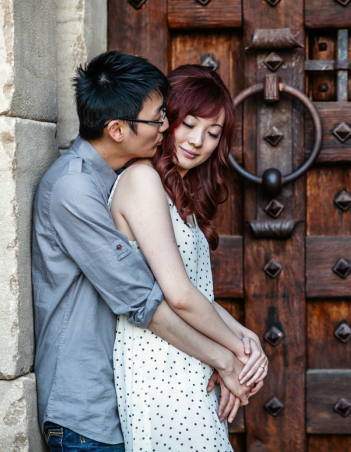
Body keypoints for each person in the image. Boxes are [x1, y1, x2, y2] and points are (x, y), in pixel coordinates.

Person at [32, 51, 255, 452]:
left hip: (118, 398)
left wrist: (244, 344)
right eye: (161, 118)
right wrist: (228, 357)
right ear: (118, 129)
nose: (167, 127)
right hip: (85, 409)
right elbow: (144, 298)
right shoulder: (74, 188)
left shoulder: (115, 178)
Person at [108, 65, 268, 451]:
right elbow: (178, 295)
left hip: (189, 356)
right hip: (160, 363)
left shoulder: (178, 191)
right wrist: (233, 353)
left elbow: (196, 293)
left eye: (213, 133)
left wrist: (248, 344)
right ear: (167, 120)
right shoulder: (143, 179)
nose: (199, 141)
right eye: (189, 124)